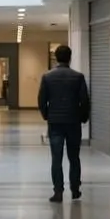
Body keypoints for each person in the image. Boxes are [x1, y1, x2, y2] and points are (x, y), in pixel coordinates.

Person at [37, 45, 90, 203]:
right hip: (73, 122)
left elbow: (41, 100)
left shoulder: (47, 77)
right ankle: (75, 189)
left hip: (55, 123)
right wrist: (83, 117)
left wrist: (47, 115)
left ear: (56, 57)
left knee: (56, 158)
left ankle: (58, 191)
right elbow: (85, 101)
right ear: (70, 57)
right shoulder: (78, 77)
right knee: (74, 157)